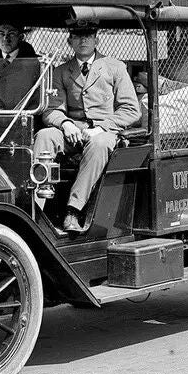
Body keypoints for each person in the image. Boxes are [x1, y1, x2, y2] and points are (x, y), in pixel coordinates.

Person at [34, 19, 141, 233]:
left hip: (105, 131)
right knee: (45, 135)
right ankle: (34, 206)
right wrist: (65, 124)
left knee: (99, 144)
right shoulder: (60, 71)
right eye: (77, 36)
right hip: (73, 132)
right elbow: (51, 109)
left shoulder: (114, 67)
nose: (83, 40)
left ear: (96, 40)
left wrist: (101, 128)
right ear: (69, 41)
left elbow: (131, 110)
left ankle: (73, 210)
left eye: (88, 35)